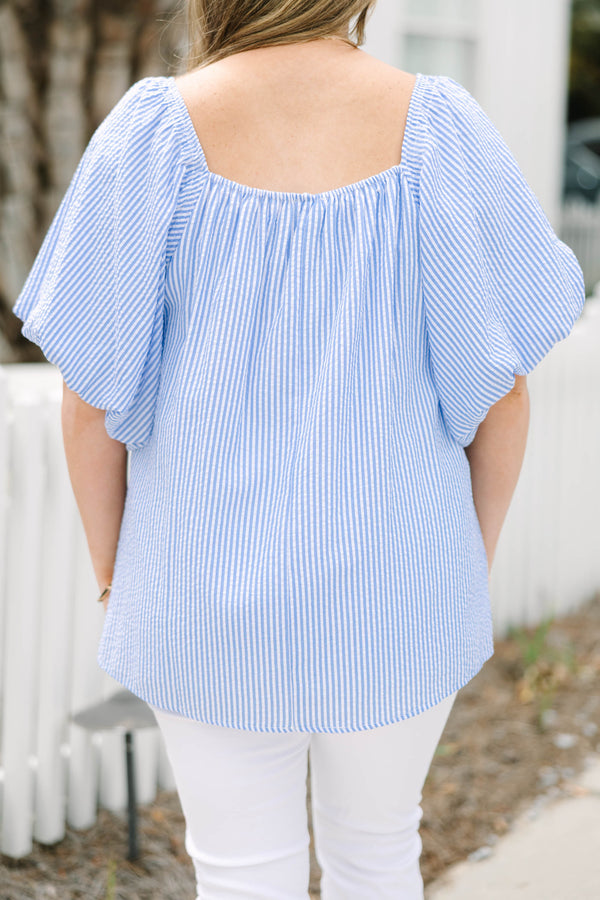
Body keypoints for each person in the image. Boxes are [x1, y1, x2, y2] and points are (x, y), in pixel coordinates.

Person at [11, 1, 586, 897]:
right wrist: (464, 560)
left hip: (200, 594)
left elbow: (88, 401)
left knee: (240, 874)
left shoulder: (153, 131)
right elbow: (503, 387)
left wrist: (117, 574)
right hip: (402, 586)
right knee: (380, 855)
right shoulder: (440, 126)